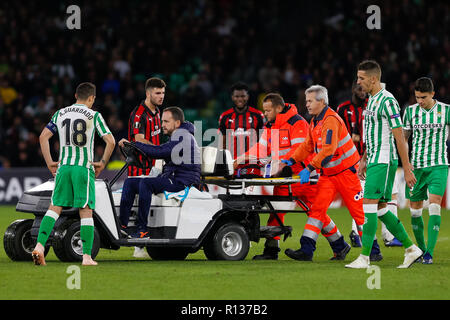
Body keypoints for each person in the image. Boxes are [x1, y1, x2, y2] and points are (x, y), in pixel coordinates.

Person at [234, 93, 351, 260]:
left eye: (268, 110)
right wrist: (240, 159)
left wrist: (282, 166)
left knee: (315, 213)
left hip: (304, 177)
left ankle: (339, 245)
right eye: (264, 110)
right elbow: (260, 149)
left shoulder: (297, 123)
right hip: (285, 178)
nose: (264, 114)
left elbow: (299, 150)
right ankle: (271, 250)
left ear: (278, 108)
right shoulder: (270, 126)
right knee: (276, 212)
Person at [346, 60, 422, 269]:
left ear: (373, 78)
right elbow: (370, 133)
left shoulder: (388, 101)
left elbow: (400, 137)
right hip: (373, 159)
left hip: (384, 160)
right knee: (379, 208)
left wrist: (407, 170)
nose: (358, 82)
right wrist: (363, 159)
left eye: (361, 78)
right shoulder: (371, 99)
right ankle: (411, 249)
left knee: (368, 204)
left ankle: (364, 258)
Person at [31, 82, 116, 266]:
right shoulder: (94, 115)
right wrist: (102, 163)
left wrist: (49, 163)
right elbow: (110, 141)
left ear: (76, 96)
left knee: (54, 208)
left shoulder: (60, 113)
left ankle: (39, 246)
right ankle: (86, 257)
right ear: (91, 98)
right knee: (85, 210)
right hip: (82, 168)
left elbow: (43, 137)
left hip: (63, 167)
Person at [281, 85, 365, 262]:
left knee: (358, 213)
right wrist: (292, 160)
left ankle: (373, 251)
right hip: (329, 175)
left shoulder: (331, 120)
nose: (307, 104)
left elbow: (328, 150)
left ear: (322, 101)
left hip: (346, 173)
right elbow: (308, 146)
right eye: (306, 101)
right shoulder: (316, 121)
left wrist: (309, 168)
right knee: (317, 209)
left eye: (310, 101)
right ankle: (307, 250)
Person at [338, 82, 401, 248]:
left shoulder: (373, 104)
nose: (362, 91)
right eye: (358, 87)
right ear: (352, 89)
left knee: (383, 196)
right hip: (360, 160)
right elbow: (341, 133)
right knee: (366, 197)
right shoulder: (344, 108)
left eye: (363, 87)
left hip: (375, 156)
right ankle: (362, 233)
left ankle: (387, 236)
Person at [118, 107, 201, 234]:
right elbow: (161, 151)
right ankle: (122, 227)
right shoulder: (177, 137)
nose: (162, 125)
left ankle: (142, 230)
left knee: (146, 183)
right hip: (173, 177)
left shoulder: (183, 137)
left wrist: (134, 144)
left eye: (166, 122)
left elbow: (159, 152)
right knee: (130, 182)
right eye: (162, 121)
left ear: (177, 123)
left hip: (182, 181)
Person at [403, 77, 450, 264]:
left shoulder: (446, 110)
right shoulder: (410, 112)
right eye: (417, 97)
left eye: (423, 97)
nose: (419, 101)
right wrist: (406, 165)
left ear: (432, 94)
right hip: (417, 168)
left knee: (435, 205)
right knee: (415, 211)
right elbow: (404, 139)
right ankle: (421, 250)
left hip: (439, 165)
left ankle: (429, 253)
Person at [119, 77, 165, 239]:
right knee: (133, 192)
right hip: (139, 166)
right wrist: (159, 149)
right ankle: (127, 228)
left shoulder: (158, 112)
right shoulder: (139, 114)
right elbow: (138, 139)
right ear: (148, 93)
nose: (161, 96)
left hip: (154, 166)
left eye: (163, 93)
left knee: (141, 194)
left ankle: (140, 229)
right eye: (157, 93)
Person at [218, 82, 265, 173]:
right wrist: (222, 161)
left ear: (248, 97)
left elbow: (263, 141)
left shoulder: (258, 115)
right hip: (232, 163)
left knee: (251, 186)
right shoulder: (225, 116)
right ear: (232, 97)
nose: (240, 99)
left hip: (253, 163)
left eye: (243, 96)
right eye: (237, 96)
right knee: (231, 187)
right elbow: (222, 143)